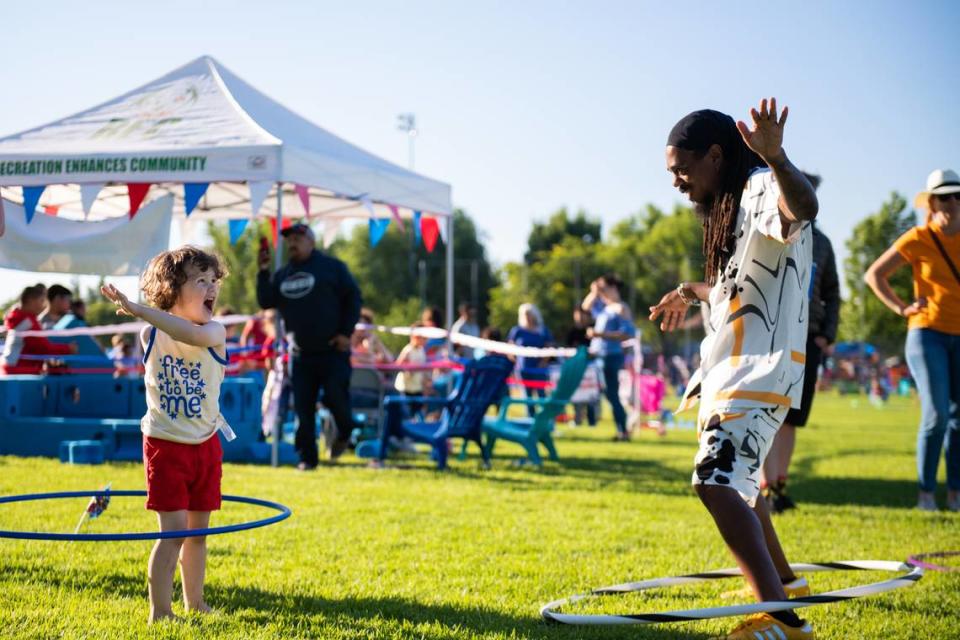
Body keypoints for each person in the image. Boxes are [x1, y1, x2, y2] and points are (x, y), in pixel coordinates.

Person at [649, 100, 819, 640]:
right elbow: (732, 290)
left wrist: (779, 159)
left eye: (681, 168)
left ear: (716, 156)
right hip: (739, 369)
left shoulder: (761, 189)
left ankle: (783, 620)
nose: (676, 181)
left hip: (758, 369)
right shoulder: (735, 208)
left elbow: (805, 208)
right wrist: (687, 291)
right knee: (740, 483)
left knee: (716, 483)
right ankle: (785, 584)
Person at [100, 246, 233, 624]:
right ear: (172, 289)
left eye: (213, 281)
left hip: (205, 444)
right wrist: (143, 312)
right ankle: (161, 611)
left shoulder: (214, 331)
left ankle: (196, 602)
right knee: (172, 534)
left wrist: (139, 307)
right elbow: (168, 328)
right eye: (200, 280)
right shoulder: (149, 333)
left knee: (197, 535)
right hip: (164, 446)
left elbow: (190, 335)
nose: (211, 288)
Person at [865, 168, 960, 513]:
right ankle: (925, 496)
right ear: (932, 202)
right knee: (935, 414)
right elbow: (873, 275)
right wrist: (902, 307)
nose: (952, 203)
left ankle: (954, 495)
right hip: (926, 333)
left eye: (958, 195)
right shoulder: (919, 238)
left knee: (958, 417)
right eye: (945, 196)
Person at [761, 173, 840, 513]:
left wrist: (827, 334)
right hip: (774, 334)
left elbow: (833, 292)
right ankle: (764, 487)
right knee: (769, 411)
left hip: (809, 338)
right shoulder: (771, 232)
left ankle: (780, 485)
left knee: (793, 416)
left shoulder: (822, 243)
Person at [257, 223, 362, 470]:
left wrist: (346, 333)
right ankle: (307, 458)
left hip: (332, 351)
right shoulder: (283, 274)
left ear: (311, 242)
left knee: (337, 400)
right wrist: (263, 271)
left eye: (298, 238)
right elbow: (265, 301)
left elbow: (354, 298)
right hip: (300, 354)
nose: (292, 243)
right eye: (289, 239)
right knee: (303, 409)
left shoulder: (332, 268)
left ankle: (345, 432)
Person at [585, 279, 636, 441]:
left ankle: (624, 430)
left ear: (613, 288)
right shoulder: (604, 308)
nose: (602, 292)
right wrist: (594, 291)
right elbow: (586, 307)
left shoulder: (621, 308)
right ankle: (622, 428)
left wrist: (600, 335)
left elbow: (627, 333)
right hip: (599, 357)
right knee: (608, 394)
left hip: (611, 356)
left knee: (612, 394)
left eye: (604, 288)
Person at [2, 285, 78, 373]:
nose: (43, 305)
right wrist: (68, 348)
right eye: (41, 301)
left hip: (10, 368)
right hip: (19, 371)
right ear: (31, 300)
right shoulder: (29, 322)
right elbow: (43, 348)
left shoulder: (19, 318)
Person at [507, 303, 554, 415]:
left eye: (529, 314)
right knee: (526, 396)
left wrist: (543, 362)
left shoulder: (543, 330)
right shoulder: (517, 330)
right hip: (523, 369)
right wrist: (515, 362)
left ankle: (544, 419)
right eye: (525, 314)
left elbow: (549, 347)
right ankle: (530, 419)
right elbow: (510, 348)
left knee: (541, 394)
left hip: (539, 369)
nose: (527, 317)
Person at [394, 322, 429, 415]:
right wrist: (408, 369)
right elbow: (398, 365)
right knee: (406, 413)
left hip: (417, 388)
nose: (426, 339)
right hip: (406, 389)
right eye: (424, 337)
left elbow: (422, 368)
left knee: (418, 411)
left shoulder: (421, 350)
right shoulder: (408, 350)